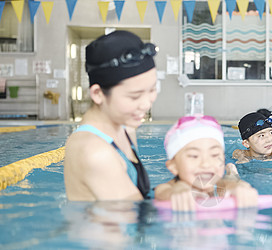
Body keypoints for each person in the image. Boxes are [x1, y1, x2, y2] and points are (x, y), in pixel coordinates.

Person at [64, 30, 158, 201]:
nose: (146, 104)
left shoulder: (125, 127)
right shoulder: (95, 152)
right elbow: (138, 217)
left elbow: (143, 199)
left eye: (152, 90)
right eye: (134, 96)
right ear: (98, 94)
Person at [154, 115, 259, 211]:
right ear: (173, 166)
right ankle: (230, 174)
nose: (206, 164)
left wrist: (238, 186)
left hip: (221, 185)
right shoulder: (166, 188)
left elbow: (233, 187)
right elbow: (162, 192)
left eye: (214, 155)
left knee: (231, 182)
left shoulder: (217, 181)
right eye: (194, 156)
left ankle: (231, 175)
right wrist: (179, 189)